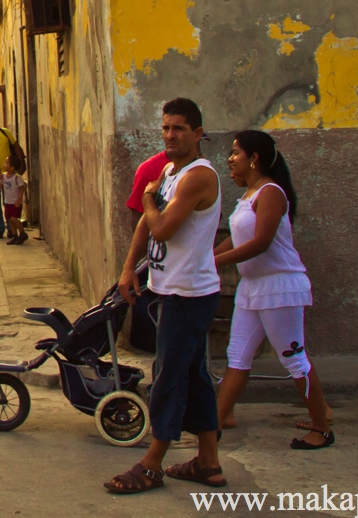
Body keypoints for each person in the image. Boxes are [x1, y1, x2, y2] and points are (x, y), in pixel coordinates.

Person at [106, 97, 224, 495]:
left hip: (189, 294)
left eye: (179, 128)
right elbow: (147, 222)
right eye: (166, 127)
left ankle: (151, 464)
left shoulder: (198, 176)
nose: (170, 135)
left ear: (198, 133)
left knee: (169, 378)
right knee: (195, 377)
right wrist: (128, 268)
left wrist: (148, 200)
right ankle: (209, 462)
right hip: (170, 289)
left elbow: (163, 228)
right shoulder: (172, 170)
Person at [214, 130, 334, 450]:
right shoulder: (247, 195)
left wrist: (213, 263)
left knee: (294, 360)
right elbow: (238, 239)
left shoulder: (271, 192)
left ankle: (321, 428)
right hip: (251, 288)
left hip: (279, 288)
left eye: (236, 153)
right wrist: (207, 258)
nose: (230, 159)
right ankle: (217, 421)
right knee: (237, 357)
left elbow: (260, 243)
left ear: (254, 159)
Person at [126, 150, 172, 230]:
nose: (170, 136)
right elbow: (138, 216)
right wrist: (148, 194)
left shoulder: (199, 169)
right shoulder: (148, 170)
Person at [0, 161, 28, 244]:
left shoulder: (17, 177)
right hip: (8, 201)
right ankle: (15, 236)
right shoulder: (3, 176)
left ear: (12, 167)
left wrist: (18, 200)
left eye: (7, 163)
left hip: (15, 202)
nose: (4, 164)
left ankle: (22, 233)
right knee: (10, 220)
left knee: (14, 219)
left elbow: (22, 189)